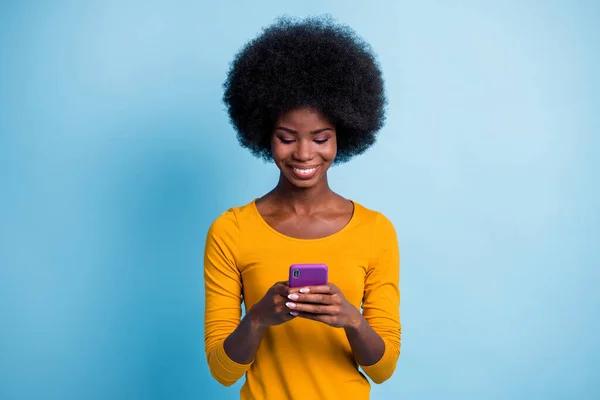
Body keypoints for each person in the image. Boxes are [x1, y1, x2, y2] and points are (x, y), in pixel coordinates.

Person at [204, 15, 401, 400]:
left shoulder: (376, 231)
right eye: (287, 137)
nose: (305, 153)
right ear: (265, 135)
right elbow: (222, 371)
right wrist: (259, 318)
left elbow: (383, 368)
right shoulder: (231, 230)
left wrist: (351, 320)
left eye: (321, 138)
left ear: (343, 135)